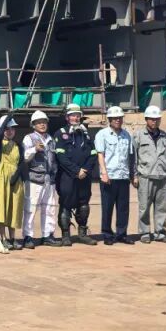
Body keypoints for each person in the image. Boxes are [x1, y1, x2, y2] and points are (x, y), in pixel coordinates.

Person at [54, 103, 97, 246]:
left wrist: (85, 170)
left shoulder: (85, 134)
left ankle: (82, 234)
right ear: (67, 117)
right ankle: (65, 236)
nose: (76, 118)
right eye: (72, 115)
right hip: (67, 176)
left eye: (78, 115)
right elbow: (61, 157)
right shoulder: (60, 133)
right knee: (65, 204)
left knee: (83, 205)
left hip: (84, 176)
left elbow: (93, 154)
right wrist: (76, 171)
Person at [95, 106, 135, 246]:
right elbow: (101, 155)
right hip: (109, 176)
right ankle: (107, 234)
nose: (118, 120)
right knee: (107, 207)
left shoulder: (127, 135)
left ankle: (121, 234)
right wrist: (104, 173)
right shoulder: (102, 134)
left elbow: (130, 156)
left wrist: (132, 175)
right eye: (115, 118)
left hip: (123, 176)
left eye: (120, 118)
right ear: (109, 119)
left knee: (123, 208)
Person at [133, 105, 166, 244]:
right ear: (146, 119)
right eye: (152, 119)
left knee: (162, 207)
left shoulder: (164, 135)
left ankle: (160, 232)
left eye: (157, 119)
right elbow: (134, 157)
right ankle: (144, 232)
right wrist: (135, 175)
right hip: (146, 176)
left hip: (163, 176)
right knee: (144, 207)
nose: (154, 121)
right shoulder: (138, 135)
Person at [21, 111, 59, 248]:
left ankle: (47, 235)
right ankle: (28, 236)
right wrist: (34, 149)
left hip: (49, 179)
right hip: (34, 179)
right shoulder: (29, 138)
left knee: (50, 208)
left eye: (44, 122)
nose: (42, 124)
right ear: (33, 125)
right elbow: (24, 157)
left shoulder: (51, 139)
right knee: (30, 208)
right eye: (39, 122)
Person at [0, 115, 24, 250]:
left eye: (12, 128)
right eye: (7, 128)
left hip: (15, 179)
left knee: (14, 206)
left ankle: (12, 237)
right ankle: (3, 238)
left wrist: (16, 176)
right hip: (1, 177)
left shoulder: (18, 145)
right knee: (2, 206)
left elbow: (22, 162)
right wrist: (7, 118)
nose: (10, 131)